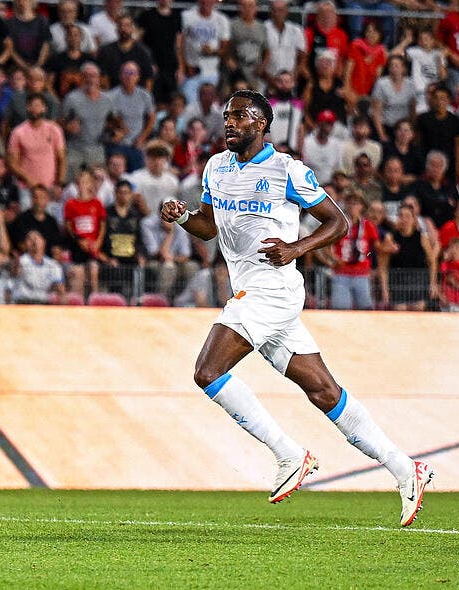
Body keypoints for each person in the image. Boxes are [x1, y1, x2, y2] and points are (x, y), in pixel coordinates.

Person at [160, 90, 433, 526]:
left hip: (273, 290)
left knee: (206, 371)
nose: (229, 123)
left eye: (240, 117)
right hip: (253, 292)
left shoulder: (286, 169)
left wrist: (296, 248)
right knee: (325, 393)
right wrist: (180, 217)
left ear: (262, 124)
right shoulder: (216, 168)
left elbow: (338, 222)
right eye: (227, 116)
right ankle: (407, 469)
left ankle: (288, 454)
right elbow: (209, 229)